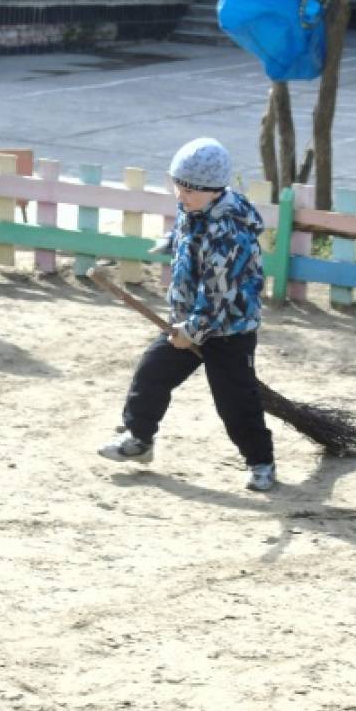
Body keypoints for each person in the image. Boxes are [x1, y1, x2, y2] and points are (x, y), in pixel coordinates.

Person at [97, 137, 277, 492]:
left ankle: (261, 462)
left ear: (214, 191)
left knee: (236, 402)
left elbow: (219, 296)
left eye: (189, 192)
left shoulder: (229, 234)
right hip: (185, 320)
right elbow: (188, 233)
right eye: (177, 188)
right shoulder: (194, 208)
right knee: (151, 374)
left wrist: (191, 331)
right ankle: (139, 440)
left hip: (229, 329)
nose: (181, 197)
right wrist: (171, 243)